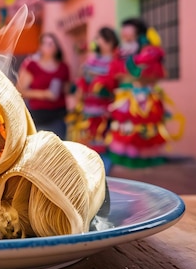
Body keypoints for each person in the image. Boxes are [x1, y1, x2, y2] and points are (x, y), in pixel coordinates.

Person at [106, 18, 172, 168]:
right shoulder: (119, 52)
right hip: (126, 98)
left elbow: (155, 74)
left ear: (138, 33)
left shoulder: (148, 51)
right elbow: (116, 74)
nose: (125, 35)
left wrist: (136, 73)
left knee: (144, 129)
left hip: (144, 98)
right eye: (123, 31)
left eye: (129, 32)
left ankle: (144, 163)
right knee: (126, 129)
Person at [69, 26, 120, 174]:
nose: (99, 42)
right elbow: (81, 83)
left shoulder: (116, 62)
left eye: (102, 39)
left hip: (107, 112)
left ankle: (105, 176)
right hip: (88, 111)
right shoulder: (90, 61)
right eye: (97, 39)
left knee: (105, 147)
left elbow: (117, 84)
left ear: (111, 41)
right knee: (89, 146)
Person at [17, 32, 71, 138]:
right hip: (38, 117)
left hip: (58, 117)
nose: (48, 46)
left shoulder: (63, 67)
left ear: (57, 46)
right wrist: (45, 94)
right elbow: (20, 91)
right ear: (40, 47)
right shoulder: (32, 65)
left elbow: (67, 89)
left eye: (51, 43)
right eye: (45, 43)